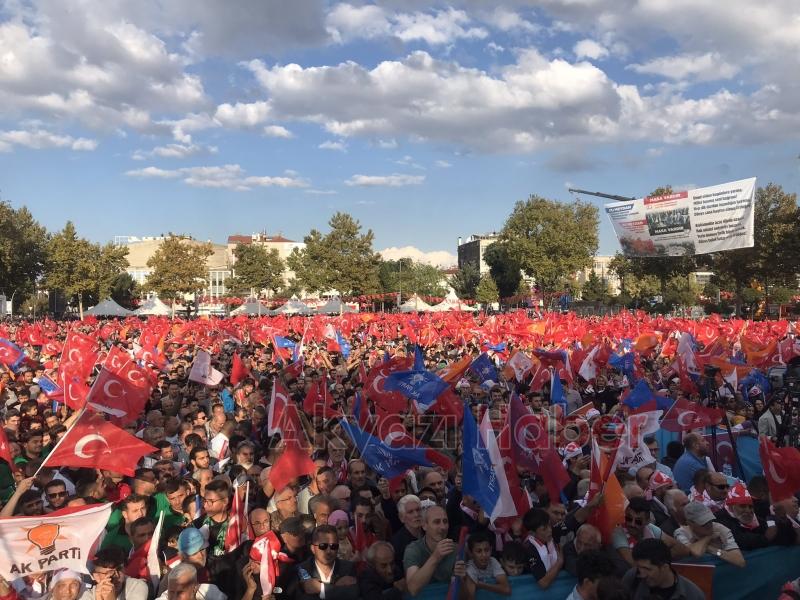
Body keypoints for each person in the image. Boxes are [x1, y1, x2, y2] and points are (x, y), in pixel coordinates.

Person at [403, 504, 466, 596]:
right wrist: (436, 557)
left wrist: (462, 579)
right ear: (424, 525)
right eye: (436, 522)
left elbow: (465, 595)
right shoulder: (413, 549)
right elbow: (413, 588)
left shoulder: (456, 550)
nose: (443, 527)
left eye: (445, 521)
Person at [622, 539, 704, 600]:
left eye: (647, 569)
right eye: (639, 568)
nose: (642, 574)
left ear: (665, 567)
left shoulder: (692, 595)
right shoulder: (632, 578)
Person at [297, 524, 359, 600]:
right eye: (323, 546)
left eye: (333, 546)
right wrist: (337, 588)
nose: (329, 551)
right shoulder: (303, 569)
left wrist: (322, 588)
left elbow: (353, 594)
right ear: (313, 548)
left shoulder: (348, 568)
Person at [673, 502, 745, 567]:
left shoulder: (720, 528)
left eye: (709, 520)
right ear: (690, 523)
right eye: (703, 523)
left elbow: (740, 561)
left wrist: (713, 550)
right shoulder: (681, 533)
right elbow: (696, 552)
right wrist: (708, 537)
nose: (709, 525)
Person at [79, 547, 149, 600]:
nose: (116, 576)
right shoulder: (87, 594)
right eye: (109, 573)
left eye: (119, 569)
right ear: (96, 576)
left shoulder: (136, 586)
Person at [521, 508, 563, 589]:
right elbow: (543, 583)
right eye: (544, 529)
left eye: (549, 525)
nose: (550, 530)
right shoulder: (529, 549)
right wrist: (559, 563)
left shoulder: (550, 538)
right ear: (531, 533)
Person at [463, 529, 510, 598]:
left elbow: (506, 589)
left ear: (491, 549)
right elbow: (469, 598)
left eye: (487, 550)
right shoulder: (470, 568)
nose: (484, 555)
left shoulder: (493, 561)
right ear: (471, 553)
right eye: (479, 551)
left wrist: (481, 585)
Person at [156, 563, 226, 600]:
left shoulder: (212, 593)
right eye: (171, 592)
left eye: (180, 593)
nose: (174, 598)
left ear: (194, 588)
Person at [390, 494, 422, 571]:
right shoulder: (396, 543)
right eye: (410, 512)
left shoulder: (429, 532)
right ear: (402, 517)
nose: (416, 515)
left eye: (418, 510)